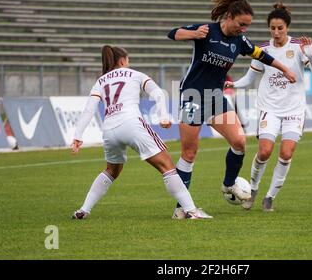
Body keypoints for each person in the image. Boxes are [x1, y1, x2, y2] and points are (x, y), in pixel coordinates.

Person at [167, 0, 297, 219]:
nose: (244, 29)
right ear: (229, 17)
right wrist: (193, 34)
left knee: (239, 142)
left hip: (216, 97)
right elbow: (172, 33)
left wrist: (285, 68)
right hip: (192, 96)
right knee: (189, 152)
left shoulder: (239, 41)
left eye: (247, 26)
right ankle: (182, 209)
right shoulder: (207, 30)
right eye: (241, 24)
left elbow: (261, 55)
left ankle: (229, 184)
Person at [70, 45, 212, 220]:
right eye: (127, 60)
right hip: (131, 123)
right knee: (167, 168)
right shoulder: (135, 74)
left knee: (111, 171)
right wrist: (163, 115)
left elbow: (89, 109)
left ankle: (84, 209)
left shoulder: (100, 81)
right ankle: (191, 211)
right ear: (122, 61)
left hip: (108, 129)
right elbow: (159, 93)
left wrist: (78, 136)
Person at [225, 2, 312, 212]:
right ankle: (252, 190)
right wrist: (233, 84)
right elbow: (249, 78)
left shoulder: (299, 47)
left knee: (286, 153)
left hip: (294, 110)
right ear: (269, 28)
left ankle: (270, 197)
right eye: (273, 28)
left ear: (287, 27)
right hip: (269, 108)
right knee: (264, 152)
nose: (276, 32)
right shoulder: (263, 50)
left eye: (280, 28)